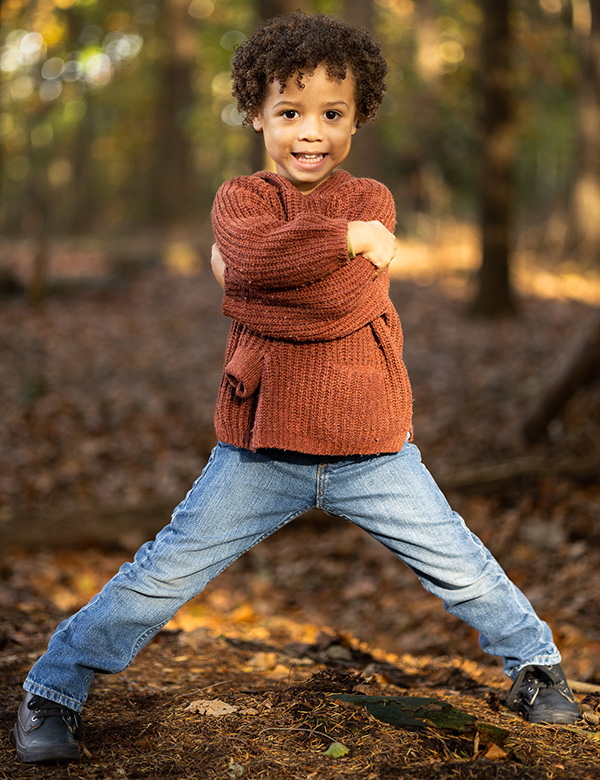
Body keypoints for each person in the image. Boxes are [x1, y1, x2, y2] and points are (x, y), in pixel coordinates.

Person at [13, 11, 579, 765]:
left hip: (373, 447)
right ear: (255, 114)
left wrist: (245, 290)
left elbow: (336, 305)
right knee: (163, 572)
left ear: (357, 120)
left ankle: (537, 667)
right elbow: (257, 252)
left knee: (461, 565)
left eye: (331, 115)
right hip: (260, 451)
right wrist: (338, 247)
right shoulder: (242, 201)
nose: (310, 132)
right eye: (290, 113)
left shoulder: (371, 198)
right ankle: (53, 690)